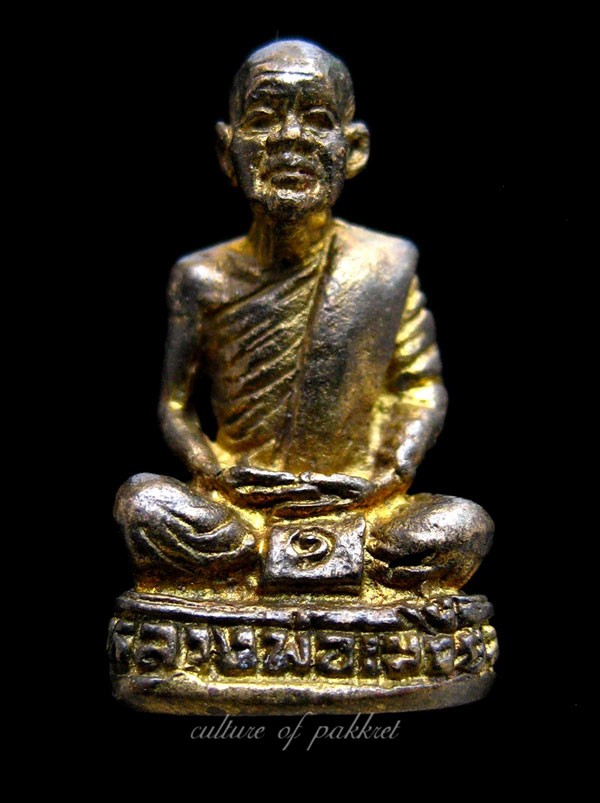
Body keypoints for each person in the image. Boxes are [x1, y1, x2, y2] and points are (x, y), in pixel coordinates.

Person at [114, 39, 493, 593]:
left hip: (356, 501)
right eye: (263, 119)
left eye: (317, 121)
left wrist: (392, 475)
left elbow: (420, 389)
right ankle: (312, 565)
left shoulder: (386, 265)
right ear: (227, 150)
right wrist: (218, 475)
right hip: (241, 505)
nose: (290, 138)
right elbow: (174, 407)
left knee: (463, 526)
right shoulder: (199, 277)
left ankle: (270, 567)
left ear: (353, 149)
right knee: (142, 502)